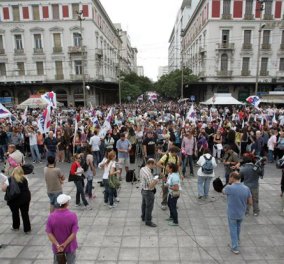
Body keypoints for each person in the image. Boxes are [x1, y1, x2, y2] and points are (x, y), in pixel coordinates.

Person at [223, 172, 252, 254]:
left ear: (232, 177)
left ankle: (235, 247)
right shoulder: (246, 188)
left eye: (229, 177)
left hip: (232, 213)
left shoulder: (229, 187)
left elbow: (223, 191)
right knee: (238, 228)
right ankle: (237, 242)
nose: (229, 179)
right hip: (241, 212)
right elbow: (250, 202)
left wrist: (229, 183)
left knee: (233, 229)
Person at [46, 194, 79, 264]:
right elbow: (73, 233)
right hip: (70, 246)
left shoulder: (51, 217)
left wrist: (57, 245)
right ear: (67, 203)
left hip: (57, 248)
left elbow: (49, 233)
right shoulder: (73, 215)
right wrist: (64, 244)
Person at [1, 166, 31, 234]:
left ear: (14, 171)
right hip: (25, 198)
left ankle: (16, 226)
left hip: (14, 199)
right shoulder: (25, 178)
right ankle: (27, 229)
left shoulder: (9, 179)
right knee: (25, 213)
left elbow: (3, 189)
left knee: (15, 213)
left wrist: (2, 183)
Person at [140, 158, 158, 227]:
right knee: (149, 207)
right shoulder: (148, 173)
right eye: (154, 165)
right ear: (150, 164)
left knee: (144, 204)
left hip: (143, 190)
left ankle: (143, 216)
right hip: (148, 192)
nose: (155, 166)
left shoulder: (142, 169)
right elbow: (150, 186)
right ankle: (148, 221)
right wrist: (156, 180)